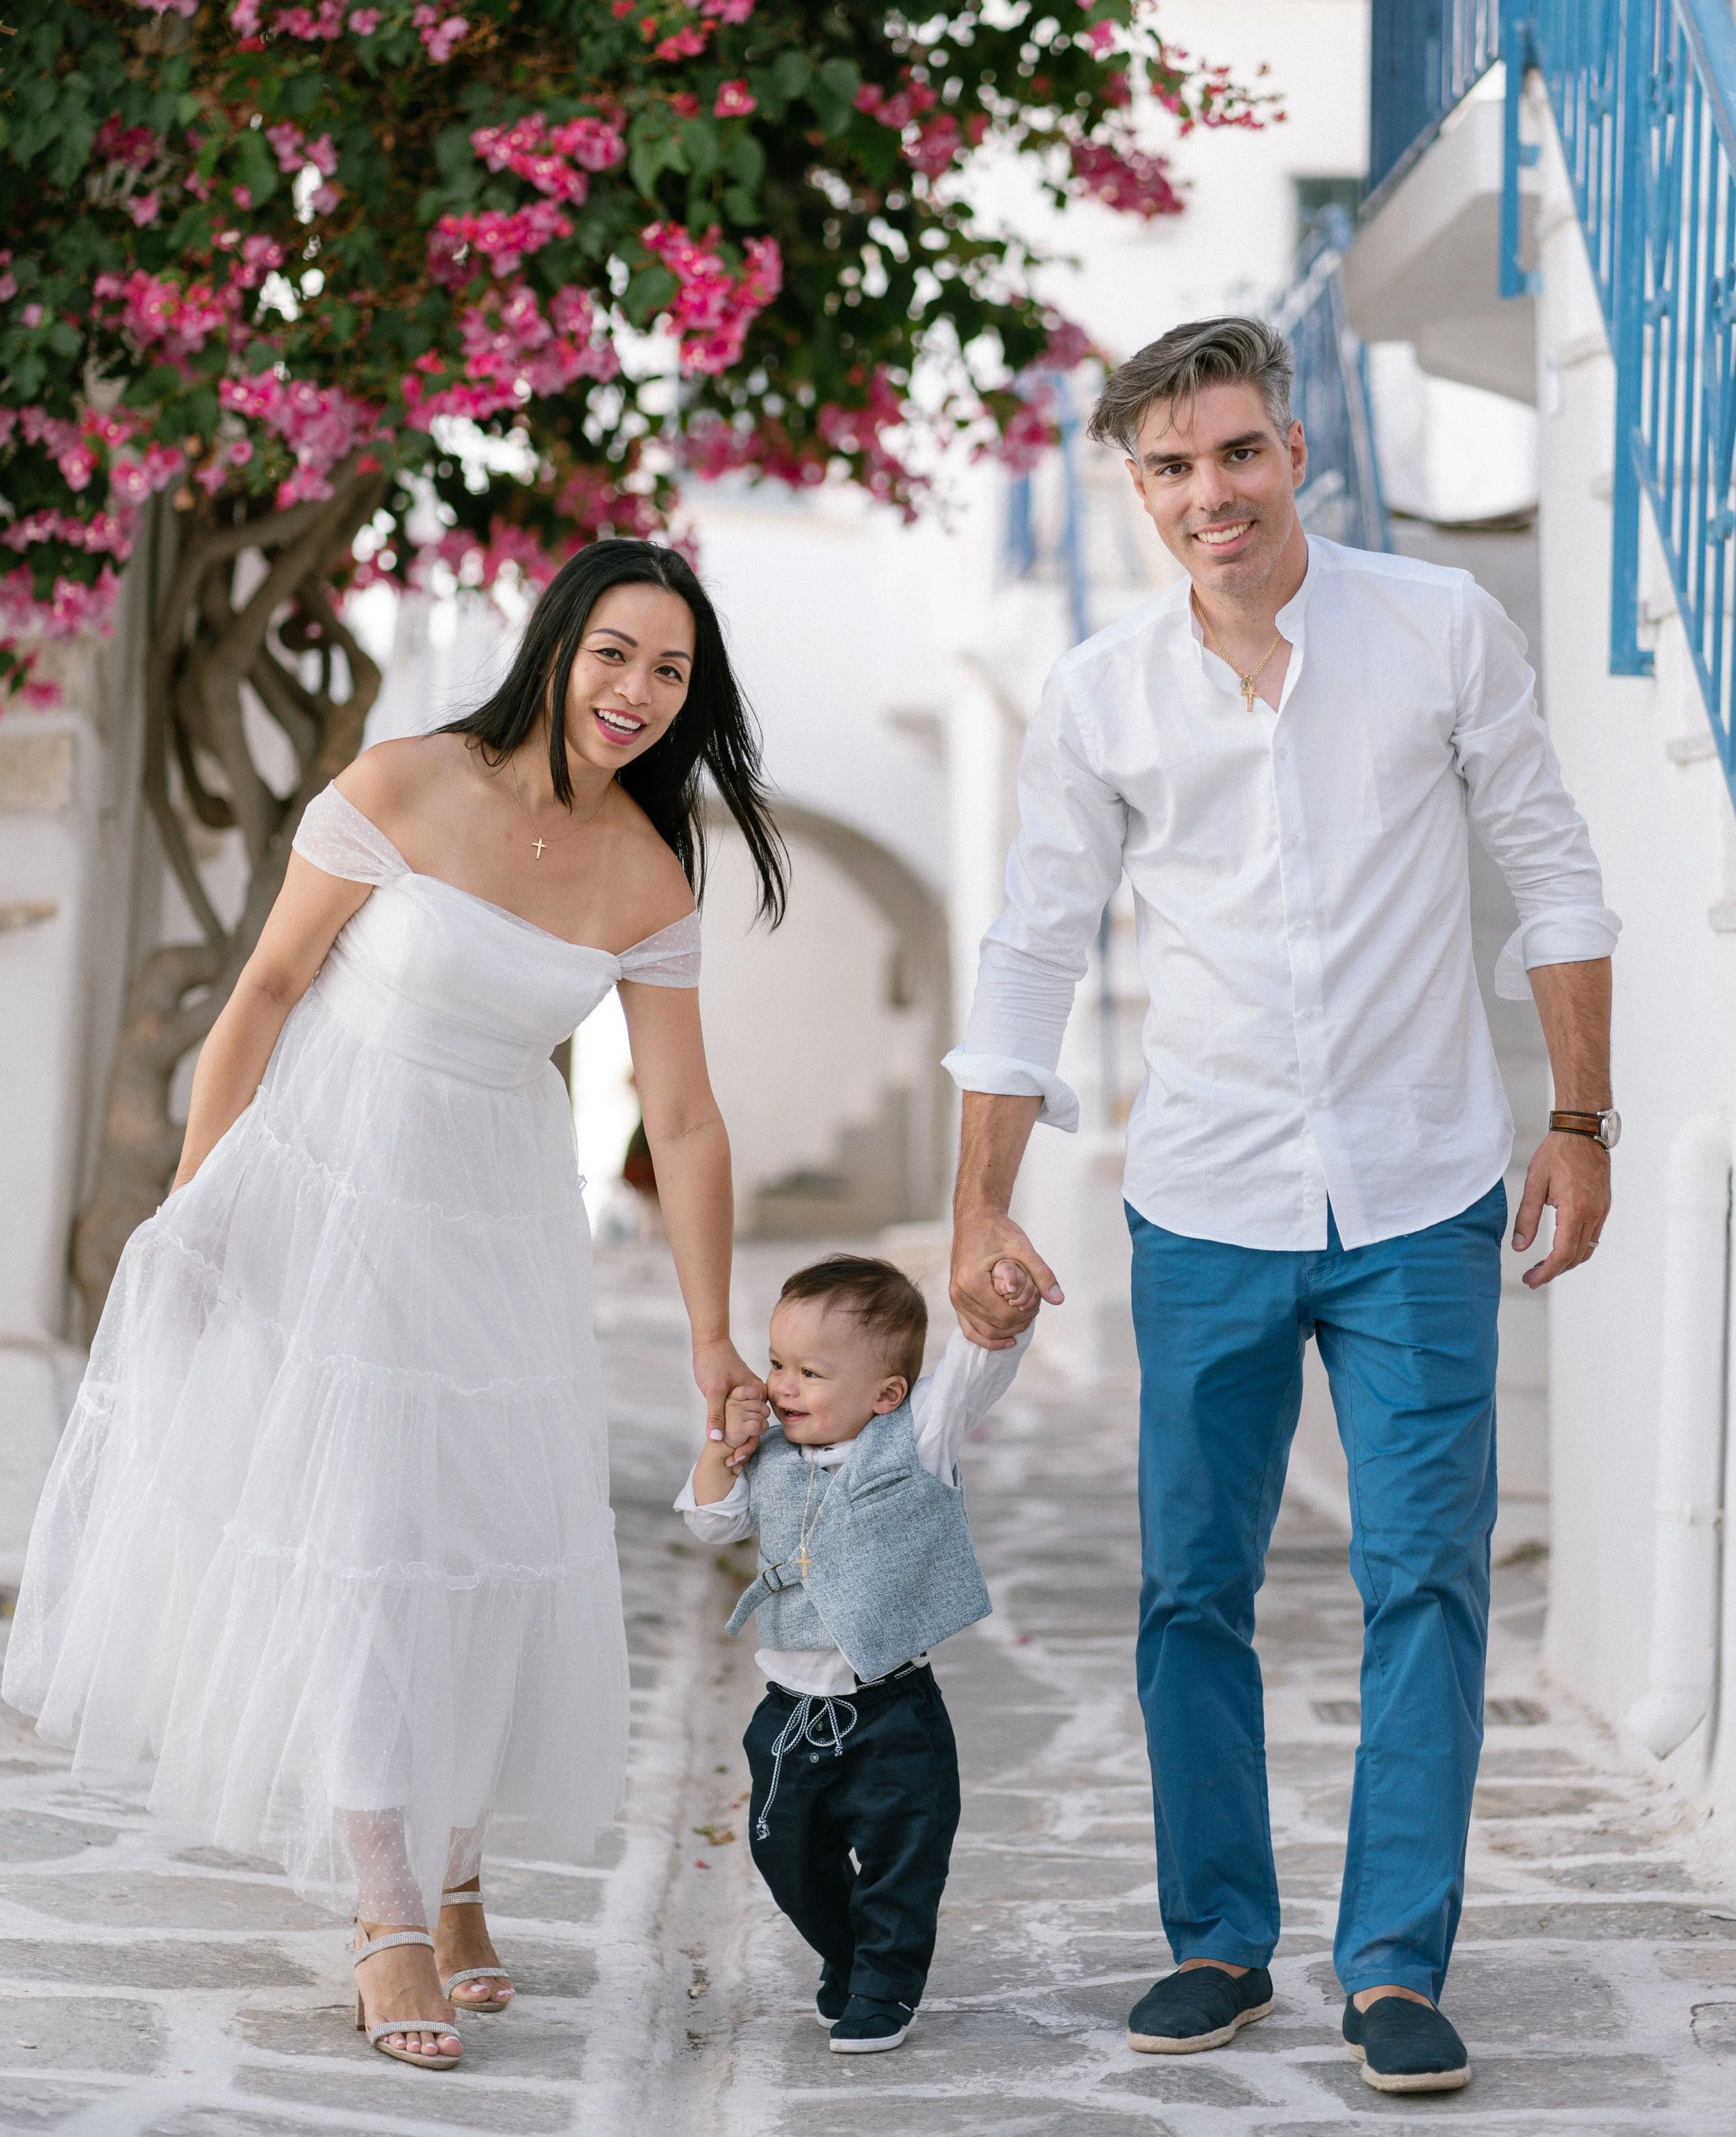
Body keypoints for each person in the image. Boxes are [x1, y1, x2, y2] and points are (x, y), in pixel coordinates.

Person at [944, 318, 1619, 2098]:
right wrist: (978, 1207)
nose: (1207, 494)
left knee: (1424, 1577)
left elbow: (1551, 866)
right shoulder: (1100, 692)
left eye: (1234, 453)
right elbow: (1030, 946)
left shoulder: (1438, 630)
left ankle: (1394, 1962)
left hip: (1418, 1191)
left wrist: (1579, 1117)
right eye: (1169, 468)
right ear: (1138, 485)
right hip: (1210, 1194)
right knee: (1194, 1590)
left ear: (1295, 449)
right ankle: (1216, 1939)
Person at [3, 537, 784, 2075]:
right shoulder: (407, 784)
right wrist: (196, 1205)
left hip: (495, 1219)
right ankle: (386, 1913)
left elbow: (683, 1119)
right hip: (329, 1185)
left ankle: (464, 1865)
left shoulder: (648, 866)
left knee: (479, 1542)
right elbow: (268, 995)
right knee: (365, 1538)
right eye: (615, 653)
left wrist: (710, 1333)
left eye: (671, 672)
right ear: (557, 646)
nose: (636, 691)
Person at [678, 1255, 1032, 2054]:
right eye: (776, 1364)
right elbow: (710, 1524)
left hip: (891, 1711)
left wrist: (1000, 1307)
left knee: (902, 1859)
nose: (784, 1386)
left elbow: (974, 1371)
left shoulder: (917, 1439)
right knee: (783, 1851)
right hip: (788, 1715)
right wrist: (720, 1446)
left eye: (810, 1371)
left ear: (886, 1395)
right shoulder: (766, 1454)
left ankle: (883, 1984)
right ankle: (848, 1951)